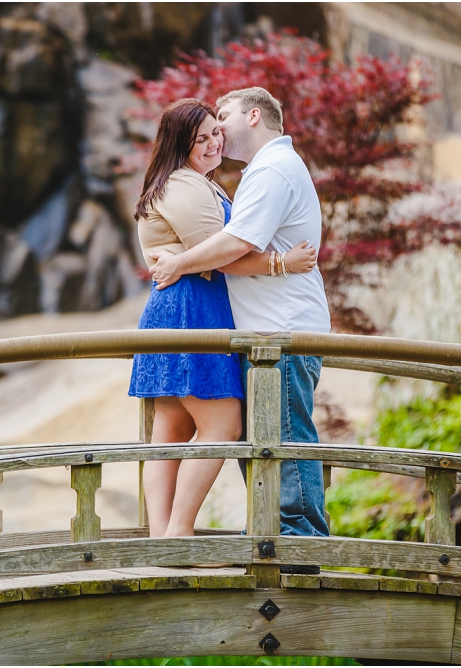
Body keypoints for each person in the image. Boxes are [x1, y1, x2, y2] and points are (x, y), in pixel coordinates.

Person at [148, 88, 332, 572]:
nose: (218, 131)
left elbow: (234, 243)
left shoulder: (270, 169)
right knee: (264, 438)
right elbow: (230, 246)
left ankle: (296, 547)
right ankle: (259, 538)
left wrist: (179, 264)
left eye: (222, 119)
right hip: (261, 332)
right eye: (206, 131)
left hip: (282, 331)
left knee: (284, 438)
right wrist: (276, 262)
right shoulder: (250, 174)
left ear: (254, 115)